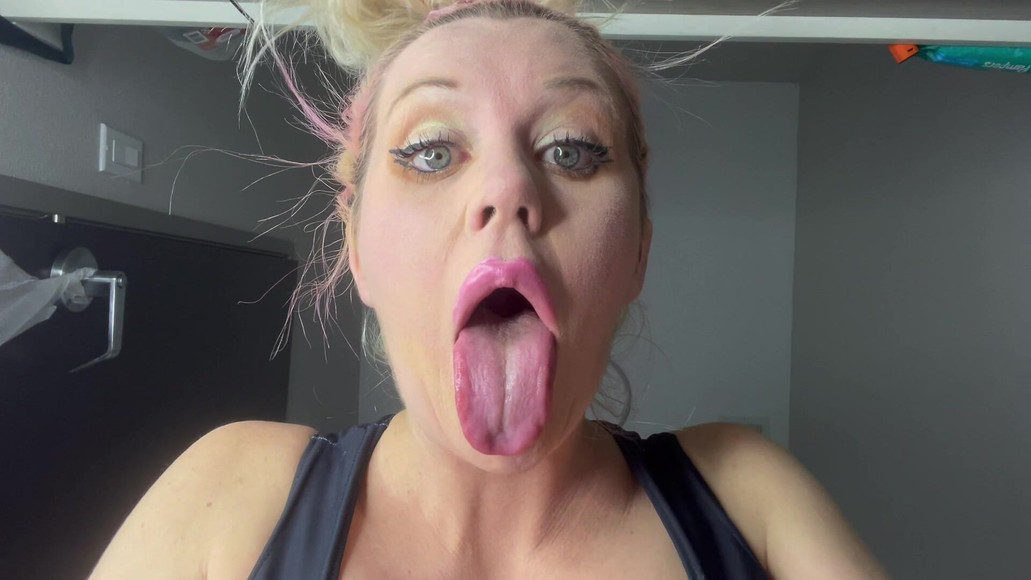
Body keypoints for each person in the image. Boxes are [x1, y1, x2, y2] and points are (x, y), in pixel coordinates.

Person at [92, 0, 887, 577]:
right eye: (432, 152)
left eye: (571, 150)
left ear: (638, 251)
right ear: (356, 246)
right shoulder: (233, 497)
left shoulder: (745, 498)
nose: (507, 188)